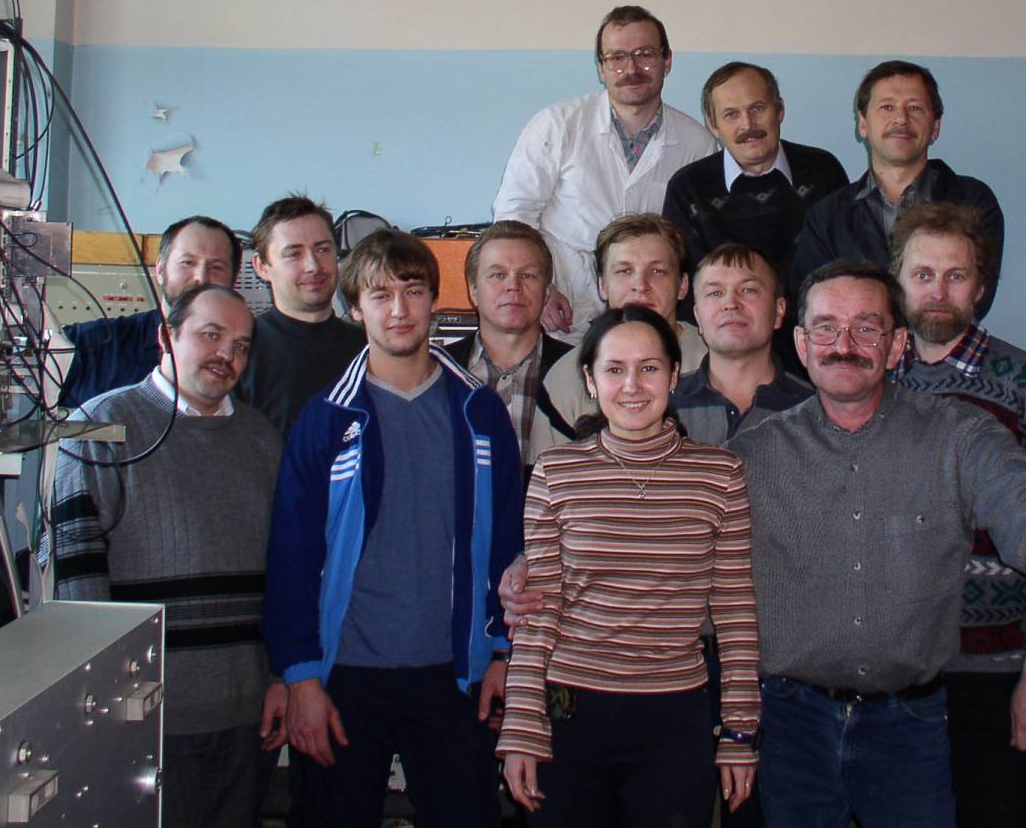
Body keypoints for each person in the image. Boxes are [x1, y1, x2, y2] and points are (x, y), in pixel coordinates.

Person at [726, 260, 1026, 828]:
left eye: (866, 328)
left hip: (908, 730)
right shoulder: (754, 454)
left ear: (897, 345)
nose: (844, 345)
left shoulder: (958, 435)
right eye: (826, 328)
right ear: (801, 344)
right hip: (790, 726)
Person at [261, 229, 523, 828]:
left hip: (456, 675)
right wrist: (300, 677)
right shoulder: (327, 418)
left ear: (435, 300)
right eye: (379, 295)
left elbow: (510, 545)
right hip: (345, 675)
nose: (399, 309)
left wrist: (504, 653)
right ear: (355, 309)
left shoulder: (479, 412)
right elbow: (292, 556)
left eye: (413, 290)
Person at [497, 306, 759, 827]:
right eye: (614, 369)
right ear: (590, 380)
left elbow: (735, 612)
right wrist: (521, 727)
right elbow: (537, 611)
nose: (633, 386)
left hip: (674, 720)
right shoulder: (556, 473)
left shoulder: (719, 475)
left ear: (674, 375)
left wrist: (739, 731)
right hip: (568, 713)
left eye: (649, 368)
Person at [48, 284, 285, 828]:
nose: (227, 355)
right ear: (165, 337)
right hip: (147, 715)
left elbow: (285, 575)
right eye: (210, 335)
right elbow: (78, 581)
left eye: (241, 345)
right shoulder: (99, 428)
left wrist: (280, 678)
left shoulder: (261, 438)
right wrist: (103, 703)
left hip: (245, 714)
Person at [889, 203, 1026, 825]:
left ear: (980, 287)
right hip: (896, 673)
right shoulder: (873, 381)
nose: (938, 291)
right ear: (898, 281)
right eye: (923, 275)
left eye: (956, 276)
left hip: (1000, 673)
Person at [494, 5, 714, 340]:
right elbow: (513, 215)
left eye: (644, 54)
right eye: (617, 57)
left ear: (667, 61)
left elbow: (695, 244)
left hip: (650, 317)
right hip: (560, 311)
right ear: (601, 67)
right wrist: (540, 288)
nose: (631, 68)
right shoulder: (557, 125)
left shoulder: (698, 144)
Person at [788, 60, 1005, 316]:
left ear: (935, 127)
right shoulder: (826, 217)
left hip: (943, 343)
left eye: (915, 108)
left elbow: (976, 297)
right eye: (887, 107)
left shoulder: (973, 201)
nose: (901, 119)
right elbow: (812, 305)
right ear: (863, 124)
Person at [529, 213, 710, 452]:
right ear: (602, 285)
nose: (641, 285)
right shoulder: (567, 377)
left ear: (683, 285)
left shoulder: (715, 361)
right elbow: (549, 470)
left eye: (657, 271)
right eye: (624, 271)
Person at [662, 62, 848, 275]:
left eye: (757, 108)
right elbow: (681, 279)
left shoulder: (823, 171)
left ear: (780, 110)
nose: (748, 124)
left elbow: (845, 266)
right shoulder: (688, 188)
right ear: (713, 125)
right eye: (731, 114)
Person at [57, 215, 239, 408]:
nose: (201, 278)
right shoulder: (91, 348)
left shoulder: (254, 359)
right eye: (188, 262)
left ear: (234, 279)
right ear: (160, 270)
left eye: (216, 267)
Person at [445, 220, 576, 474]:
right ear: (473, 290)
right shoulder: (437, 371)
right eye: (498, 275)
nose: (513, 286)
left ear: (547, 292)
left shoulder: (580, 372)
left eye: (528, 275)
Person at [235, 195, 365, 437]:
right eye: (294, 254)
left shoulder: (366, 348)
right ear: (261, 266)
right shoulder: (240, 351)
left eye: (323, 249)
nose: (313, 266)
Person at [672, 243, 810, 446]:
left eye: (748, 290)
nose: (730, 303)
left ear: (779, 311)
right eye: (715, 293)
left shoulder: (813, 411)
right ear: (697, 317)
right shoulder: (663, 406)